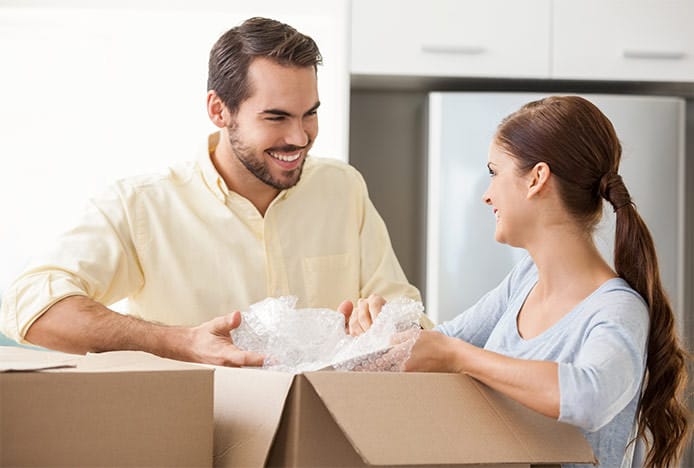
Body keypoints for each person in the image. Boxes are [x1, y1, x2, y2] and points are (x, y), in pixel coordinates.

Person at [0, 17, 420, 366]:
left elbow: (406, 316)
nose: (299, 136)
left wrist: (386, 322)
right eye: (275, 117)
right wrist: (180, 341)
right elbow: (30, 306)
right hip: (194, 436)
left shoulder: (342, 187)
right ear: (219, 110)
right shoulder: (143, 204)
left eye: (309, 114)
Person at [394, 96, 689, 467]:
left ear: (536, 179)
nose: (487, 195)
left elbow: (589, 398)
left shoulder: (619, 309)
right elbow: (443, 341)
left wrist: (459, 357)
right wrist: (381, 326)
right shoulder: (524, 280)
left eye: (494, 172)